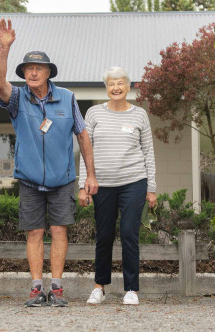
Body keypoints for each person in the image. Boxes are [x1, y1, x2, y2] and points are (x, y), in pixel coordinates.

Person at [0, 19, 99, 307]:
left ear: (49, 72)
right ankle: (37, 289)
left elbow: (83, 135)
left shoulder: (67, 98)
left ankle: (58, 289)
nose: (33, 72)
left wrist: (90, 175)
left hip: (62, 178)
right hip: (29, 179)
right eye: (28, 69)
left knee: (59, 231)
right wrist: (4, 48)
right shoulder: (17, 99)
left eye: (38, 68)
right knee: (35, 232)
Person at [78, 67, 157, 306]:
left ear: (128, 87)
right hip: (102, 183)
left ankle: (131, 289)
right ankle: (99, 287)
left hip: (134, 181)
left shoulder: (140, 115)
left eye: (120, 83)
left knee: (130, 234)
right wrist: (84, 185)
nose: (116, 87)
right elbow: (85, 151)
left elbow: (148, 152)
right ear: (106, 88)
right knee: (104, 235)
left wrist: (151, 187)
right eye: (111, 84)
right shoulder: (93, 113)